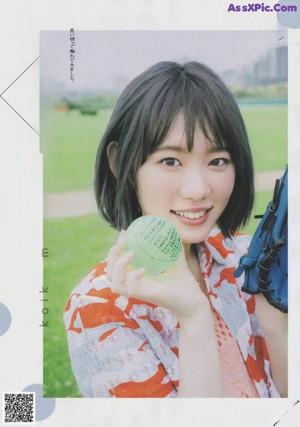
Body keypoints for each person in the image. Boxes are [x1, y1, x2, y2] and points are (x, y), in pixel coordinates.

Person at [64, 61, 287, 398]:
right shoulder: (99, 307)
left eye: (218, 161)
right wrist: (195, 319)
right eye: (170, 161)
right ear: (119, 160)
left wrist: (274, 321)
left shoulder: (247, 260)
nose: (198, 189)